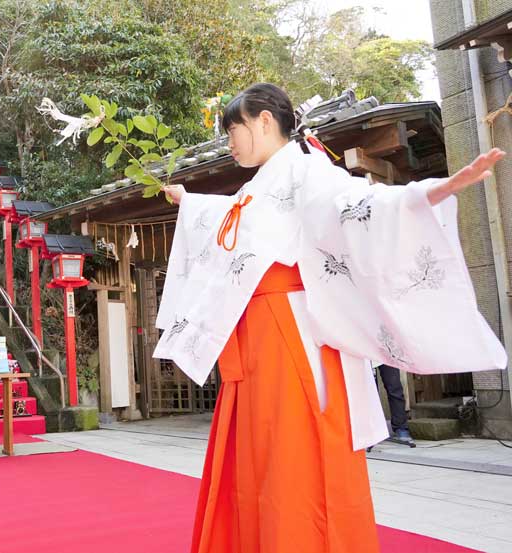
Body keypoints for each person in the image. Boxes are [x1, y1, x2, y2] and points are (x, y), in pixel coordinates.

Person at [158, 83, 506, 553]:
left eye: (233, 130)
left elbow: (359, 205)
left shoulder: (306, 169)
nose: (230, 142)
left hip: (291, 329)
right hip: (255, 330)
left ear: (264, 120)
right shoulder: (257, 186)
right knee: (258, 450)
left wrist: (433, 191)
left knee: (292, 447)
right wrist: (190, 202)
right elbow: (235, 218)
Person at [376, 363, 415, 445]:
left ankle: (401, 427)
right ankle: (371, 430)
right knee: (367, 390)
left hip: (386, 355)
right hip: (363, 356)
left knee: (394, 387)